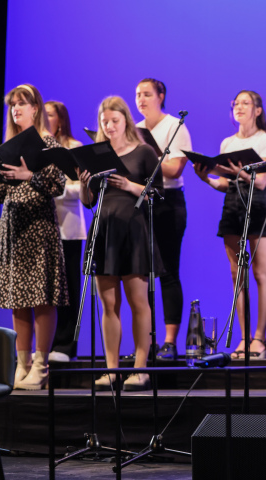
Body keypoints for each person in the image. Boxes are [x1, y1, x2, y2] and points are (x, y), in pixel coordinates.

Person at [0, 84, 68, 390]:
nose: (16, 109)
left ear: (35, 108)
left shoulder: (47, 142)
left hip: (38, 228)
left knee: (41, 298)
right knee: (18, 299)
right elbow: (4, 192)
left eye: (22, 103)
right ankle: (22, 364)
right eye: (12, 104)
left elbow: (58, 186)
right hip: (13, 228)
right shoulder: (8, 146)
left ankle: (41, 366)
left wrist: (30, 176)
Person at [79, 96, 162, 391]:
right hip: (103, 230)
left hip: (133, 231)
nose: (110, 126)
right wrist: (83, 183)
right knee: (108, 304)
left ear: (126, 120)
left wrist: (128, 185)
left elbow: (157, 195)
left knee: (138, 302)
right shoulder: (97, 154)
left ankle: (141, 369)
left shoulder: (143, 152)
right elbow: (88, 202)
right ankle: (111, 368)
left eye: (115, 121)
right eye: (105, 122)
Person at [194, 90, 266, 359]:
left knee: (260, 272)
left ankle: (260, 339)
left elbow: (261, 182)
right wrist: (206, 178)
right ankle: (243, 337)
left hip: (258, 204)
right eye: (236, 104)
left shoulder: (265, 140)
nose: (239, 107)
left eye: (245, 103)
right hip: (232, 205)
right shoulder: (228, 142)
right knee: (236, 274)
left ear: (258, 110)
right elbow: (225, 184)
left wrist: (238, 172)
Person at [135, 78, 192, 361]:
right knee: (141, 275)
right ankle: (144, 342)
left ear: (161, 96)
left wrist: (148, 150)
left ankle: (169, 342)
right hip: (142, 203)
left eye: (147, 94)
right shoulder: (135, 129)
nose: (141, 100)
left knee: (168, 271)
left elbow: (172, 169)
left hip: (168, 203)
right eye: (137, 95)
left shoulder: (174, 126)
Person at [45, 100, 85, 362]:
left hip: (69, 227)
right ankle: (46, 345)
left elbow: (80, 190)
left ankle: (66, 345)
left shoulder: (74, 147)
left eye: (50, 115)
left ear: (61, 119)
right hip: (44, 227)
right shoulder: (39, 148)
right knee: (47, 289)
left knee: (69, 286)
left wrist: (55, 189)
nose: (46, 119)